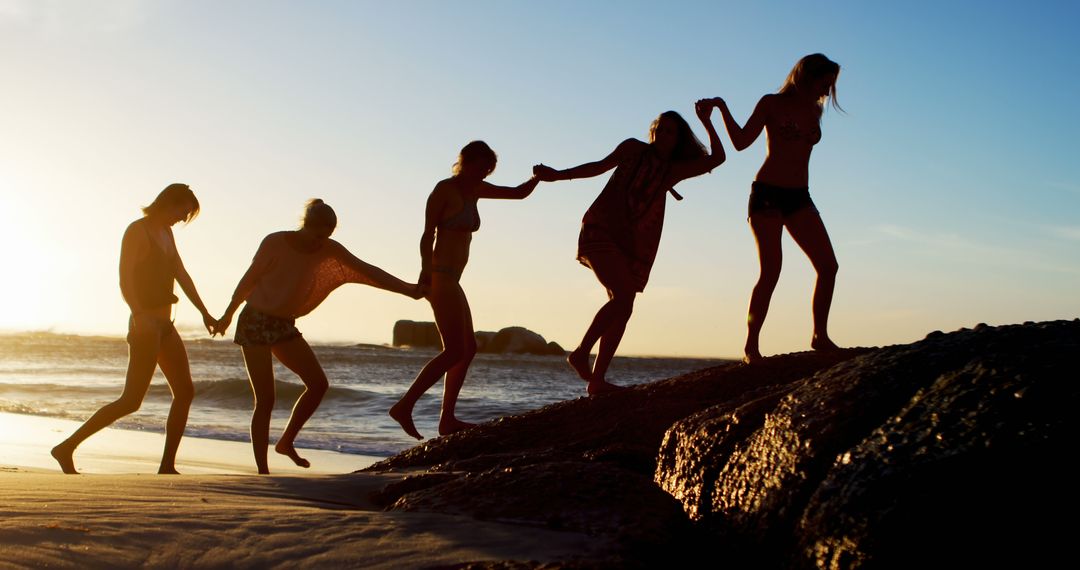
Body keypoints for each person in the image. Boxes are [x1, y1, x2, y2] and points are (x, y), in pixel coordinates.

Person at [214, 199, 421, 474]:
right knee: (265, 399)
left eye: (327, 236)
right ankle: (262, 470)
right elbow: (249, 279)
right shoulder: (275, 242)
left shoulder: (328, 248)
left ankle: (286, 442)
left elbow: (368, 271)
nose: (319, 243)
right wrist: (228, 313)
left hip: (283, 324)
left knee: (318, 383)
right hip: (255, 320)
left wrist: (409, 290)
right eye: (317, 235)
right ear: (305, 225)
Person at [534, 103, 724, 394]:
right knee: (622, 297)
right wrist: (558, 175)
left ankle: (597, 381)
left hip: (633, 243)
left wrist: (707, 121)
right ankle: (581, 353)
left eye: (670, 132)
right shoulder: (633, 148)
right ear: (652, 132)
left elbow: (717, 158)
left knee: (624, 305)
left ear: (678, 140)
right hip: (601, 228)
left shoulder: (671, 171)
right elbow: (597, 167)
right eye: (659, 128)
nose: (663, 134)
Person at [52, 183, 215, 474]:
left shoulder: (167, 233)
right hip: (146, 324)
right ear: (169, 203)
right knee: (131, 401)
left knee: (185, 391)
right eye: (183, 211)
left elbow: (181, 274)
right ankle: (66, 447)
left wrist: (205, 312)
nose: (183, 218)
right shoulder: (137, 231)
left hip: (166, 324)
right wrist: (138, 313)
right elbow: (124, 278)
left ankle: (167, 465)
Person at [389, 141, 539, 440]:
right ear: (465, 162)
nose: (484, 174)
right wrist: (424, 272)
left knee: (467, 348)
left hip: (453, 278)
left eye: (488, 170)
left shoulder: (476, 190)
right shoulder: (445, 189)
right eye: (480, 167)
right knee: (456, 349)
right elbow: (427, 233)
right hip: (440, 276)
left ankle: (447, 419)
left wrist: (537, 178)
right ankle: (405, 406)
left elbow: (517, 193)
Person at [712, 53, 843, 363]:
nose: (827, 91)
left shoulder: (815, 109)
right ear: (805, 77)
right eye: (824, 83)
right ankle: (751, 347)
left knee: (828, 266)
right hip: (767, 194)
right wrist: (721, 109)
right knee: (771, 270)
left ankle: (819, 336)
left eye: (831, 85)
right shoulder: (771, 103)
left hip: (800, 196)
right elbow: (742, 141)